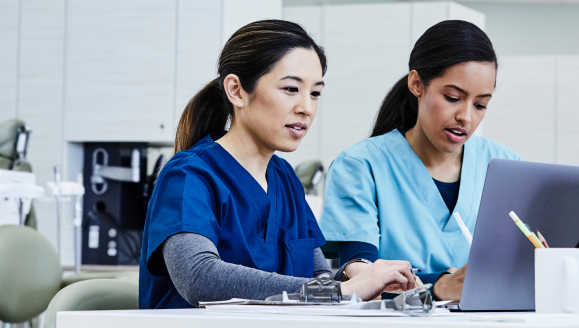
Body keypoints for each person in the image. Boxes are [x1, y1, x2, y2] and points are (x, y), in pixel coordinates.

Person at [139, 20, 420, 309]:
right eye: (290, 89)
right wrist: (342, 290)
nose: (306, 108)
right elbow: (198, 277)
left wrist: (362, 277)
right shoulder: (189, 175)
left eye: (315, 93)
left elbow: (318, 276)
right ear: (236, 91)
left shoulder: (285, 178)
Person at [319, 20, 521, 301]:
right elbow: (361, 277)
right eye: (452, 97)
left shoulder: (504, 165)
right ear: (417, 84)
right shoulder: (360, 165)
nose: (466, 117)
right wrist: (438, 286)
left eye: (480, 105)